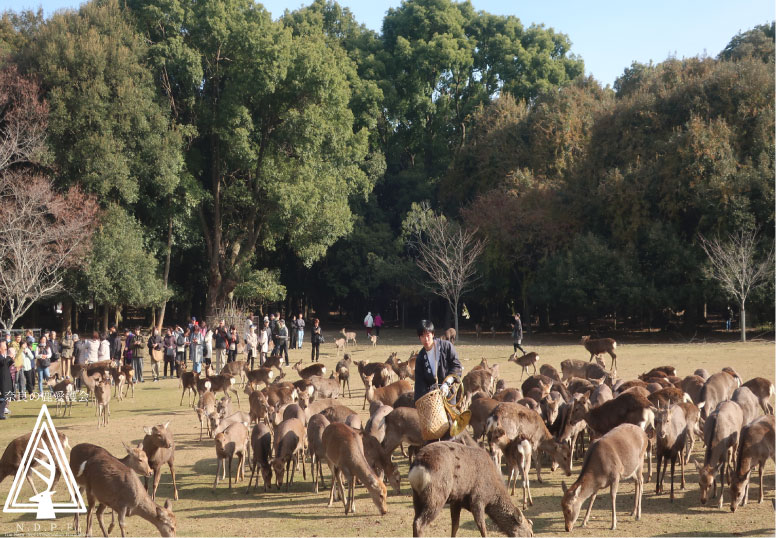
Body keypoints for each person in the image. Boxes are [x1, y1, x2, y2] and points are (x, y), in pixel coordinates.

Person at [413, 320, 463, 404]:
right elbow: (419, 384)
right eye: (422, 336)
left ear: (433, 334)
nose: (426, 339)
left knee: (450, 417)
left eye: (428, 335)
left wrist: (447, 383)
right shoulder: (420, 357)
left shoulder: (446, 346)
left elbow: (457, 366)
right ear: (419, 338)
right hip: (432, 400)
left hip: (448, 393)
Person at [0, 341, 12, 419]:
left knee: (4, 397)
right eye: (4, 346)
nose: (6, 347)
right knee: (3, 397)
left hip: (5, 378)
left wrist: (11, 359)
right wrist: (9, 357)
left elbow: (6, 364)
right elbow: (2, 362)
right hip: (1, 379)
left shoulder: (3, 355)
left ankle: (1, 414)